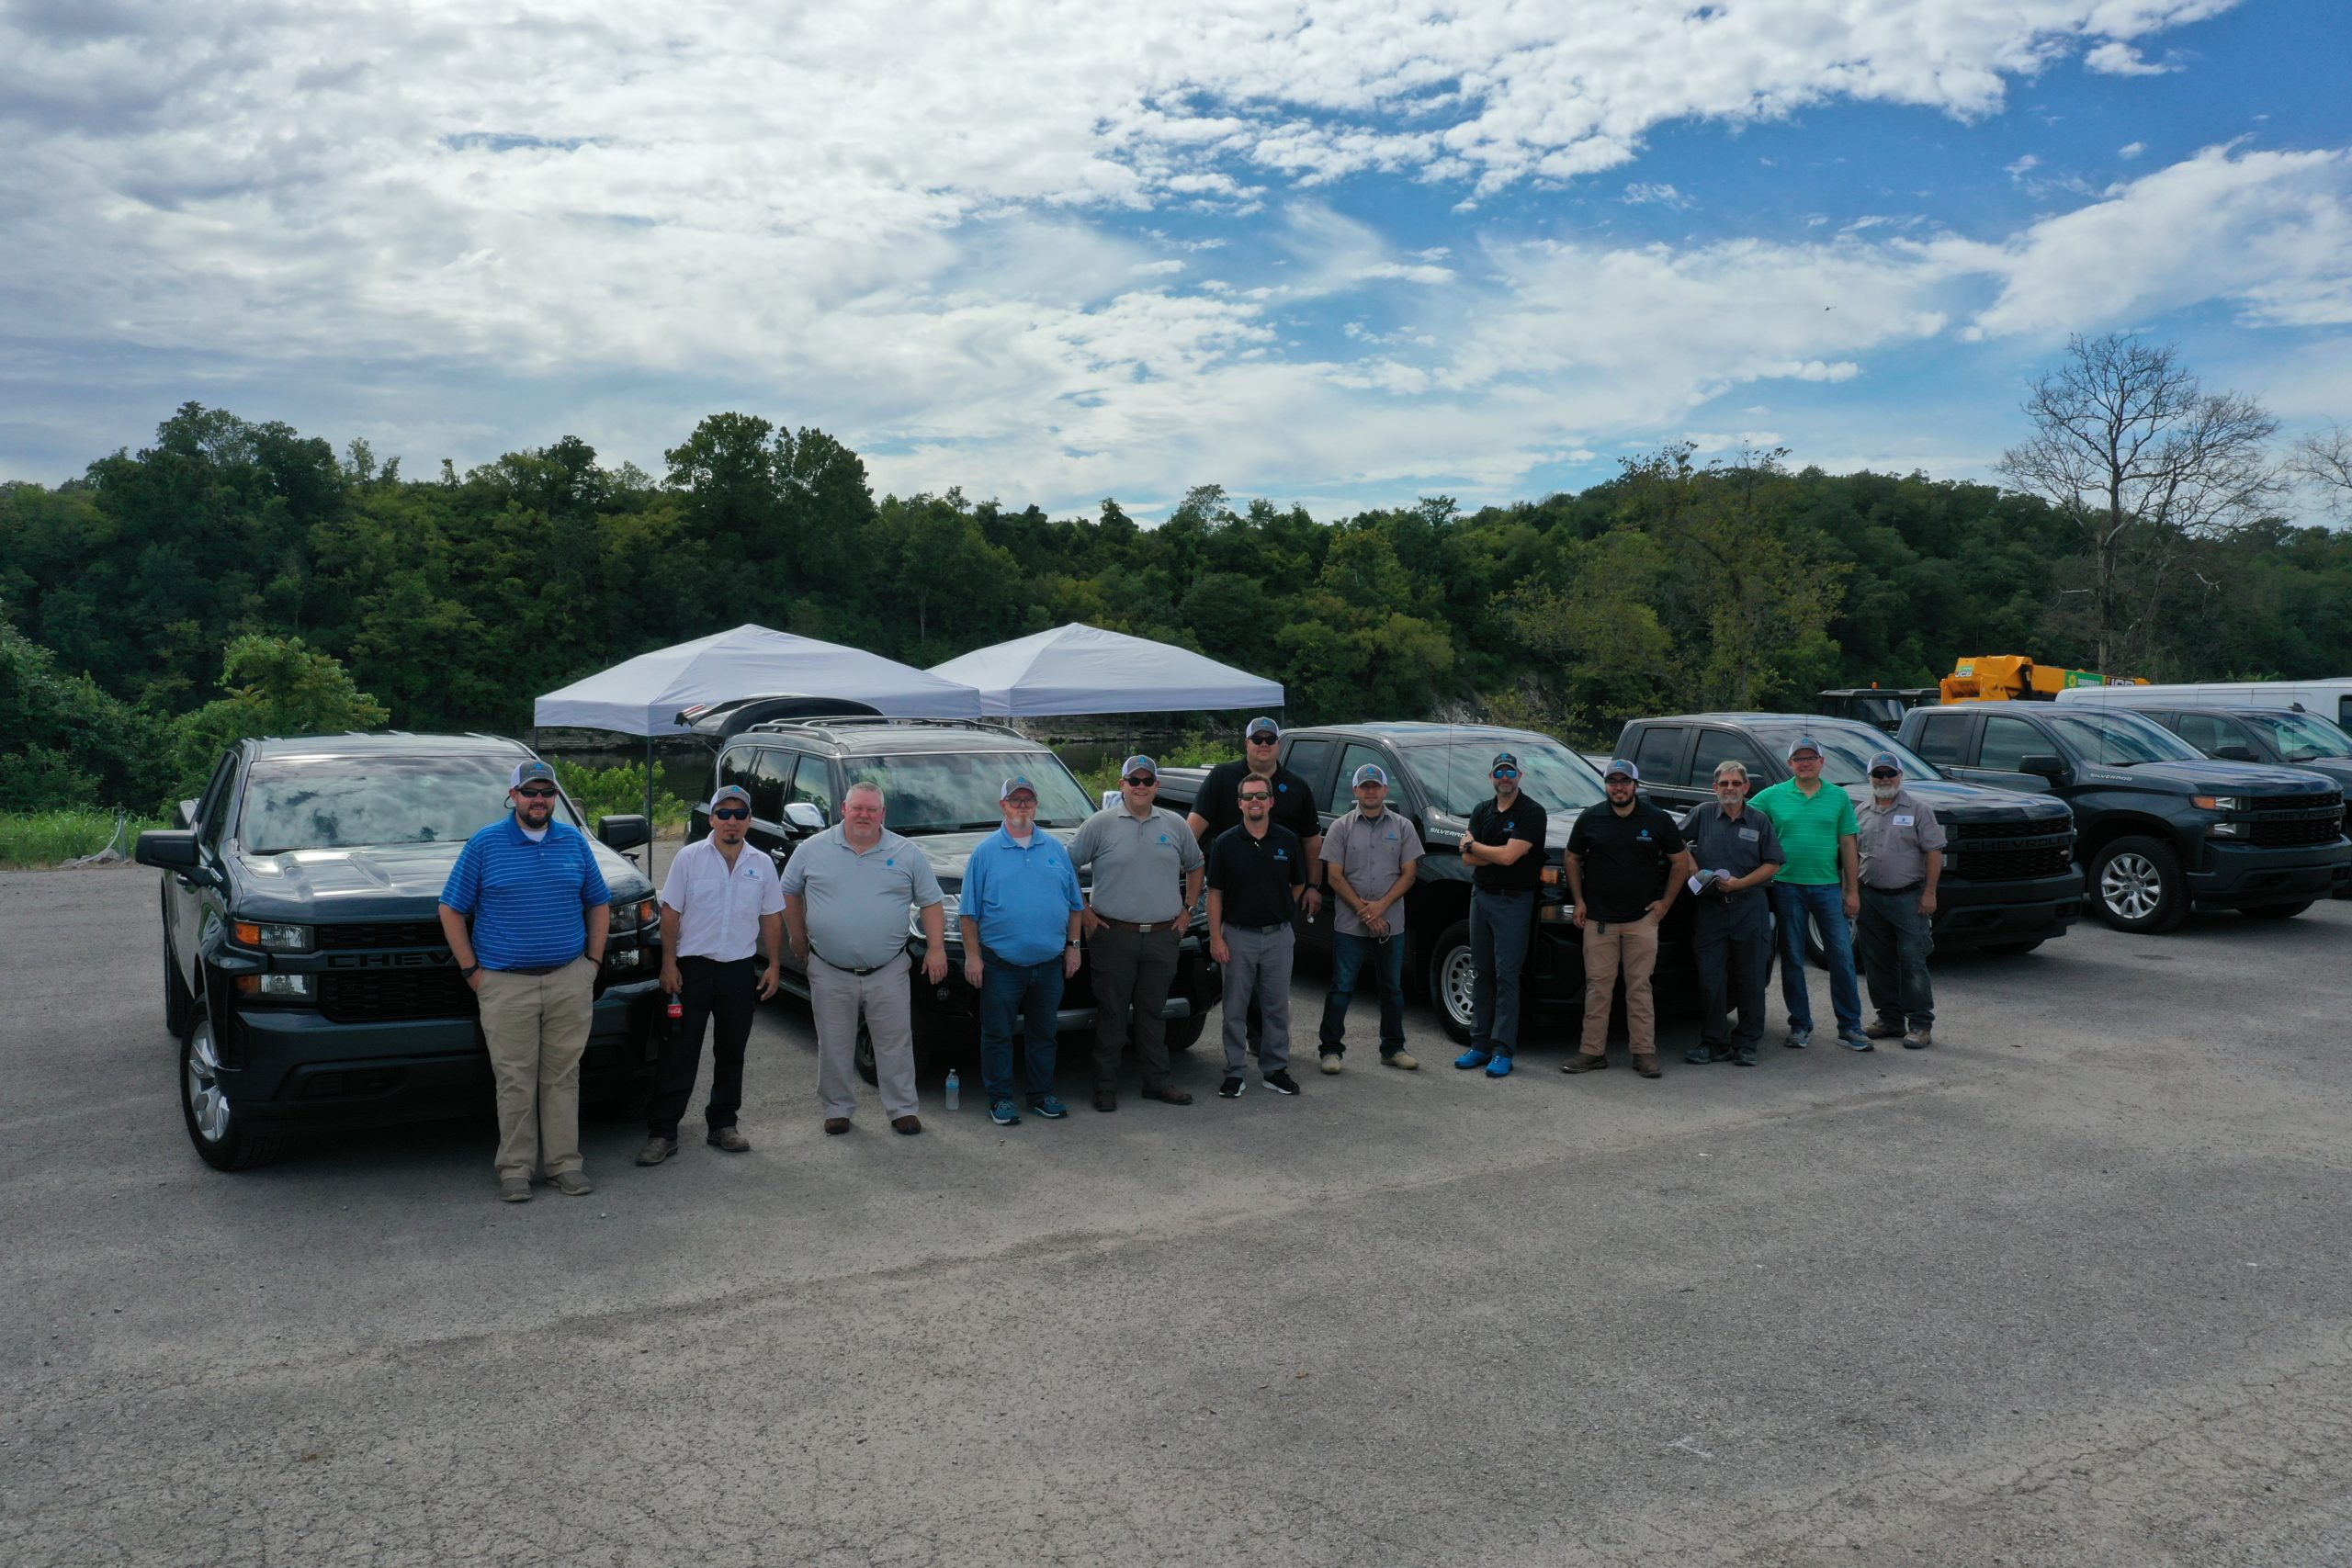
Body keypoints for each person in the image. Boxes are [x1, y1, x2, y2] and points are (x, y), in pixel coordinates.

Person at [436, 759, 613, 1203]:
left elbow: (598, 902)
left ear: (555, 798)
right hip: (503, 984)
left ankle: (565, 1165)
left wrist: (592, 961)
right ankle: (515, 1169)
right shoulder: (485, 844)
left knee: (562, 1078)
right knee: (515, 1080)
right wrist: (473, 972)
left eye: (547, 792)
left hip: (568, 979)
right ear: (513, 796)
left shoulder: (573, 842)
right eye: (530, 792)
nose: (539, 800)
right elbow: (451, 909)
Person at [780, 781, 949, 1135]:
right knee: (834, 1043)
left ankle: (902, 1108)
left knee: (896, 1043)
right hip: (830, 968)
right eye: (857, 808)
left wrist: (936, 948)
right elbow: (789, 891)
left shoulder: (906, 853)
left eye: (872, 809)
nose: (864, 815)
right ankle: (837, 1108)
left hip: (888, 968)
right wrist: (797, 936)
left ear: (883, 814)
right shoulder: (812, 849)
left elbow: (932, 901)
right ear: (843, 809)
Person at [638, 784, 784, 1167]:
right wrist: (669, 964)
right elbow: (670, 914)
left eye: (739, 815)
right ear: (712, 818)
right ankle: (663, 1131)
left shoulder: (762, 863)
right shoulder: (689, 858)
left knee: (732, 1049)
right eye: (724, 814)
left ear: (749, 820)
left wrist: (774, 964)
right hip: (692, 969)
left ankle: (723, 1124)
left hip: (738, 969)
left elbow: (771, 916)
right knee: (679, 1051)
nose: (731, 822)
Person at [1068, 755, 1205, 1113]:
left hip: (1162, 936)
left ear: (1157, 786)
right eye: (1134, 780)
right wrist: (1084, 911)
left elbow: (1196, 864)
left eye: (1148, 781)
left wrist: (1187, 909)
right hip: (1114, 935)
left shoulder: (1175, 825)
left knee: (1152, 1013)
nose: (1141, 787)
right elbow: (1065, 866)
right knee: (1112, 1012)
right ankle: (1105, 1086)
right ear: (1122, 784)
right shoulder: (1099, 824)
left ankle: (1156, 1082)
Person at [1187, 716, 1324, 1051]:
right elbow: (1193, 829)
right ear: (1245, 743)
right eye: (1257, 739)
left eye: (1270, 739)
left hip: (1280, 898)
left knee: (1273, 983)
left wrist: (1313, 886)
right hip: (1231, 897)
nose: (1264, 744)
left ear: (1278, 744)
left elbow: (1312, 841)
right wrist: (1181, 872)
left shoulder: (1296, 786)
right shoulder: (1221, 778)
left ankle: (1270, 1044)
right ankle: (1248, 1040)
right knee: (1237, 978)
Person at [958, 775, 1085, 1126]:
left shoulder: (1056, 850)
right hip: (1001, 965)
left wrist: (1073, 948)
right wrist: (973, 956)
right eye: (1015, 800)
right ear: (1003, 805)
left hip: (1049, 963)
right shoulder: (985, 853)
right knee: (997, 1034)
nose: (1022, 806)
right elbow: (968, 913)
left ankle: (1041, 1095)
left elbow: (1076, 905)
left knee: (1044, 1034)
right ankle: (1000, 1099)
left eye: (1028, 800)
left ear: (1036, 805)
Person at [1562, 759, 1694, 1079]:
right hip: (1599, 921)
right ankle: (1592, 1052)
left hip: (1641, 921)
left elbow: (1680, 862)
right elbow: (1572, 857)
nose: (1618, 787)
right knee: (1598, 988)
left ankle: (1644, 1053)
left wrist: (1665, 904)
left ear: (1636, 785)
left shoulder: (1657, 819)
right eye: (1612, 782)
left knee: (1639, 988)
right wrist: (1579, 901)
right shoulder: (1591, 818)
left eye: (1624, 781)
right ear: (1606, 785)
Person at [1750, 735, 1871, 1052]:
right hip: (1787, 887)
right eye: (1799, 759)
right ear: (1790, 764)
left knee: (1842, 958)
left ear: (1821, 762)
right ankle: (1800, 1024)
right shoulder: (1772, 797)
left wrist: (1852, 891)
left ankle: (1850, 1026)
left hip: (1828, 888)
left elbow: (1848, 845)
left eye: (1810, 758)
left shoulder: (1838, 798)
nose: (1805, 763)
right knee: (1792, 959)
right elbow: (1741, 815)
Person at [1676, 761, 1785, 1067]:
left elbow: (1774, 863)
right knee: (1711, 979)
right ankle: (1714, 1042)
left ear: (1746, 788)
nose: (1730, 789)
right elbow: (1673, 839)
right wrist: (1691, 864)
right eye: (1723, 784)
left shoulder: (1759, 821)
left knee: (1750, 978)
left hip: (1750, 906)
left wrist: (1741, 883)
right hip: (1710, 910)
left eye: (1736, 783)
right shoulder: (1702, 815)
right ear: (1715, 788)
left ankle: (1747, 1043)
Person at [1316, 762, 1422, 1073]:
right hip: (1350, 924)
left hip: (1391, 923)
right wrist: (1365, 911)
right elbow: (1334, 876)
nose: (1371, 791)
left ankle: (1393, 1048)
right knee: (1342, 987)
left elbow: (1410, 874)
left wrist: (1381, 907)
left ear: (1386, 790)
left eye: (1376, 786)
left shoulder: (1403, 827)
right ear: (1356, 791)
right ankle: (1331, 1050)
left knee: (1392, 988)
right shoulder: (1340, 827)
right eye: (1365, 786)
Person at [1207, 775, 1307, 1099]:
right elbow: (1215, 894)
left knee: (1276, 1007)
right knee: (1234, 1009)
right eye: (1248, 796)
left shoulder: (1287, 840)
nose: (1255, 801)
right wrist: (1216, 937)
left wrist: (1278, 910)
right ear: (1239, 803)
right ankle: (1234, 1072)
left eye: (1261, 796)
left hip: (1278, 937)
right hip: (1237, 937)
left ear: (1270, 802)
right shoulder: (1225, 843)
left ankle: (1275, 1070)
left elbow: (1297, 883)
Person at [1454, 751, 1548, 1078]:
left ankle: (1502, 1050)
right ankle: (1479, 1044)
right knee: (1483, 973)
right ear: (1491, 778)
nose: (1504, 777)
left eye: (1510, 771)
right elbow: (1468, 863)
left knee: (1508, 975)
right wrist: (1486, 853)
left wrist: (1474, 847)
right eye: (1499, 772)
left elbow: (1509, 857)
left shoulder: (1532, 813)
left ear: (1519, 776)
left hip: (1514, 901)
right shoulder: (1482, 810)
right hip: (1481, 898)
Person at [1855, 751, 1946, 1050]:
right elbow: (1852, 855)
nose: (1884, 779)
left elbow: (1934, 852)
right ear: (1870, 778)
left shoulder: (1919, 810)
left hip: (1909, 899)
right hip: (1871, 898)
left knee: (1913, 962)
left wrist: (1930, 893)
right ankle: (1889, 1020)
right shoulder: (1861, 812)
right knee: (1877, 962)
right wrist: (1851, 892)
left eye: (1890, 774)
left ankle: (1920, 1024)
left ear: (1900, 776)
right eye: (1878, 774)